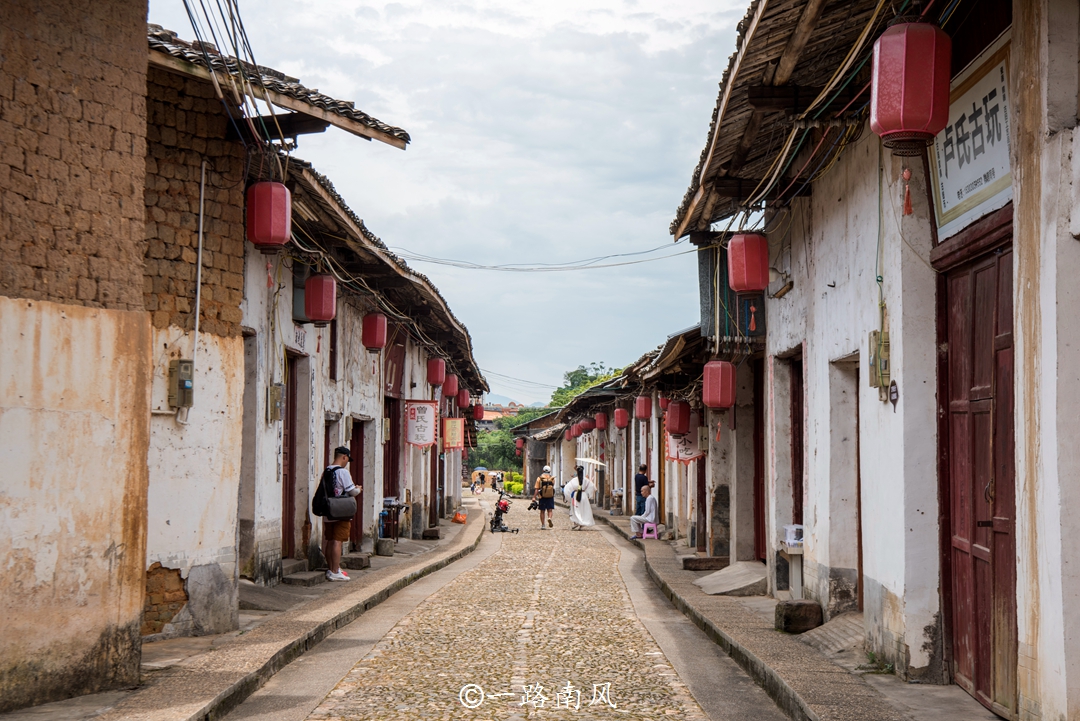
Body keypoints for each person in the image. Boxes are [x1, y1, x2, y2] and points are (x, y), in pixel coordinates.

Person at [321, 446, 361, 581]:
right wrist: (358, 489)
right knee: (337, 540)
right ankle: (335, 570)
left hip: (329, 509)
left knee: (330, 539)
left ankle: (331, 568)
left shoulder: (327, 470)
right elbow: (352, 492)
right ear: (344, 457)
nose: (347, 462)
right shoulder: (342, 472)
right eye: (347, 459)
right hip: (341, 510)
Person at [563, 465, 596, 530]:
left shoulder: (573, 480)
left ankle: (577, 522)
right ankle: (581, 524)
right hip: (584, 496)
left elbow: (567, 488)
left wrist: (568, 497)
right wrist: (589, 495)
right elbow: (592, 486)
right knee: (583, 510)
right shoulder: (586, 480)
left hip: (576, 495)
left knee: (575, 510)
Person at [533, 465, 556, 529]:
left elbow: (536, 489)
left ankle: (543, 525)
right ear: (549, 471)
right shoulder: (552, 478)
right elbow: (553, 485)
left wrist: (534, 497)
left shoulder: (539, 478)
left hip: (542, 496)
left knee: (542, 511)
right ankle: (549, 518)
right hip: (550, 496)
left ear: (543, 470)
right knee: (550, 510)